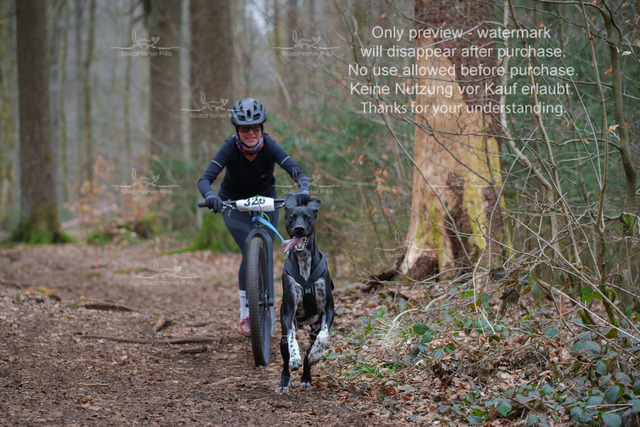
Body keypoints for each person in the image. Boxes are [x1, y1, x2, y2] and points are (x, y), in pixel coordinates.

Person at [197, 97, 310, 337]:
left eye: (255, 128)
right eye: (245, 128)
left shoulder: (270, 146)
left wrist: (303, 189)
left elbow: (298, 173)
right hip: (233, 201)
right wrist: (211, 196)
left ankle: (271, 302)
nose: (251, 133)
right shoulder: (229, 147)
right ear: (237, 130)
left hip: (266, 198)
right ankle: (246, 313)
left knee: (266, 246)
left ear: (262, 128)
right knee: (249, 248)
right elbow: (205, 179)